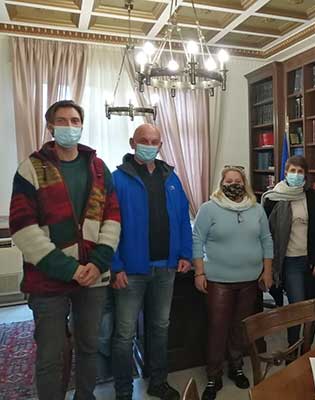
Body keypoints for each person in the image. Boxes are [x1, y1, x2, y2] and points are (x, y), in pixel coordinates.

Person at [9, 100, 121, 400]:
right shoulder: (31, 168)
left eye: (75, 121)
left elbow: (112, 218)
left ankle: (86, 395)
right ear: (50, 126)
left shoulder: (99, 169)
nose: (69, 126)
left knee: (89, 346)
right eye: (62, 121)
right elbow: (23, 228)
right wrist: (70, 269)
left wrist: (98, 263)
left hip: (94, 277)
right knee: (51, 355)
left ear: (81, 126)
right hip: (48, 280)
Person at [111, 124, 192, 400]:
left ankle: (159, 381)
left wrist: (185, 254)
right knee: (124, 334)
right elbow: (108, 227)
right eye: (143, 140)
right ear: (132, 143)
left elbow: (182, 218)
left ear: (160, 145)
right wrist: (115, 266)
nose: (149, 145)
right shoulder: (117, 179)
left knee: (160, 328)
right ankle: (123, 390)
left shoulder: (171, 178)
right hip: (130, 271)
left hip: (166, 267)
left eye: (154, 141)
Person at [192, 166, 273, 400]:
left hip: (250, 279)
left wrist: (267, 271)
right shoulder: (209, 209)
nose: (233, 184)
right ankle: (213, 374)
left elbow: (266, 239)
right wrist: (199, 273)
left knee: (240, 327)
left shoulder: (256, 209)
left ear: (244, 183)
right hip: (219, 280)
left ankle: (236, 367)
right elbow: (197, 239)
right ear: (221, 184)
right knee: (218, 327)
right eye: (228, 181)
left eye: (238, 180)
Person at [262, 156, 315, 346]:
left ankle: (307, 347)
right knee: (297, 306)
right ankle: (293, 347)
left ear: (305, 175)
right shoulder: (273, 198)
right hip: (290, 261)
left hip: (312, 259)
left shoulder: (313, 198)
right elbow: (266, 232)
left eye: (300, 171)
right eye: (292, 171)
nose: (296, 175)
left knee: (312, 307)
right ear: (285, 173)